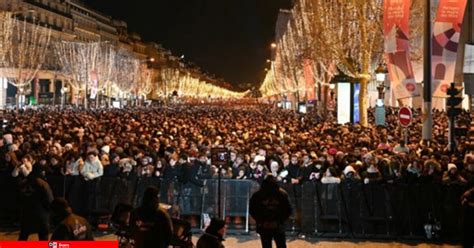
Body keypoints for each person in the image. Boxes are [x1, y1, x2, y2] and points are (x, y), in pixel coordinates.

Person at [250, 174, 292, 248]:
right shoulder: (282, 194)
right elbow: (287, 210)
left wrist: (261, 220)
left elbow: (253, 210)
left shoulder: (258, 195)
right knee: (281, 245)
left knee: (266, 245)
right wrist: (280, 220)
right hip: (277, 224)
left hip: (264, 225)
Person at [18, 165, 54, 240]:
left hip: (26, 213)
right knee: (43, 236)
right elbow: (49, 199)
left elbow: (19, 197)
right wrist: (49, 210)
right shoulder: (43, 184)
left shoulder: (24, 182)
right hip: (41, 214)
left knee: (23, 236)